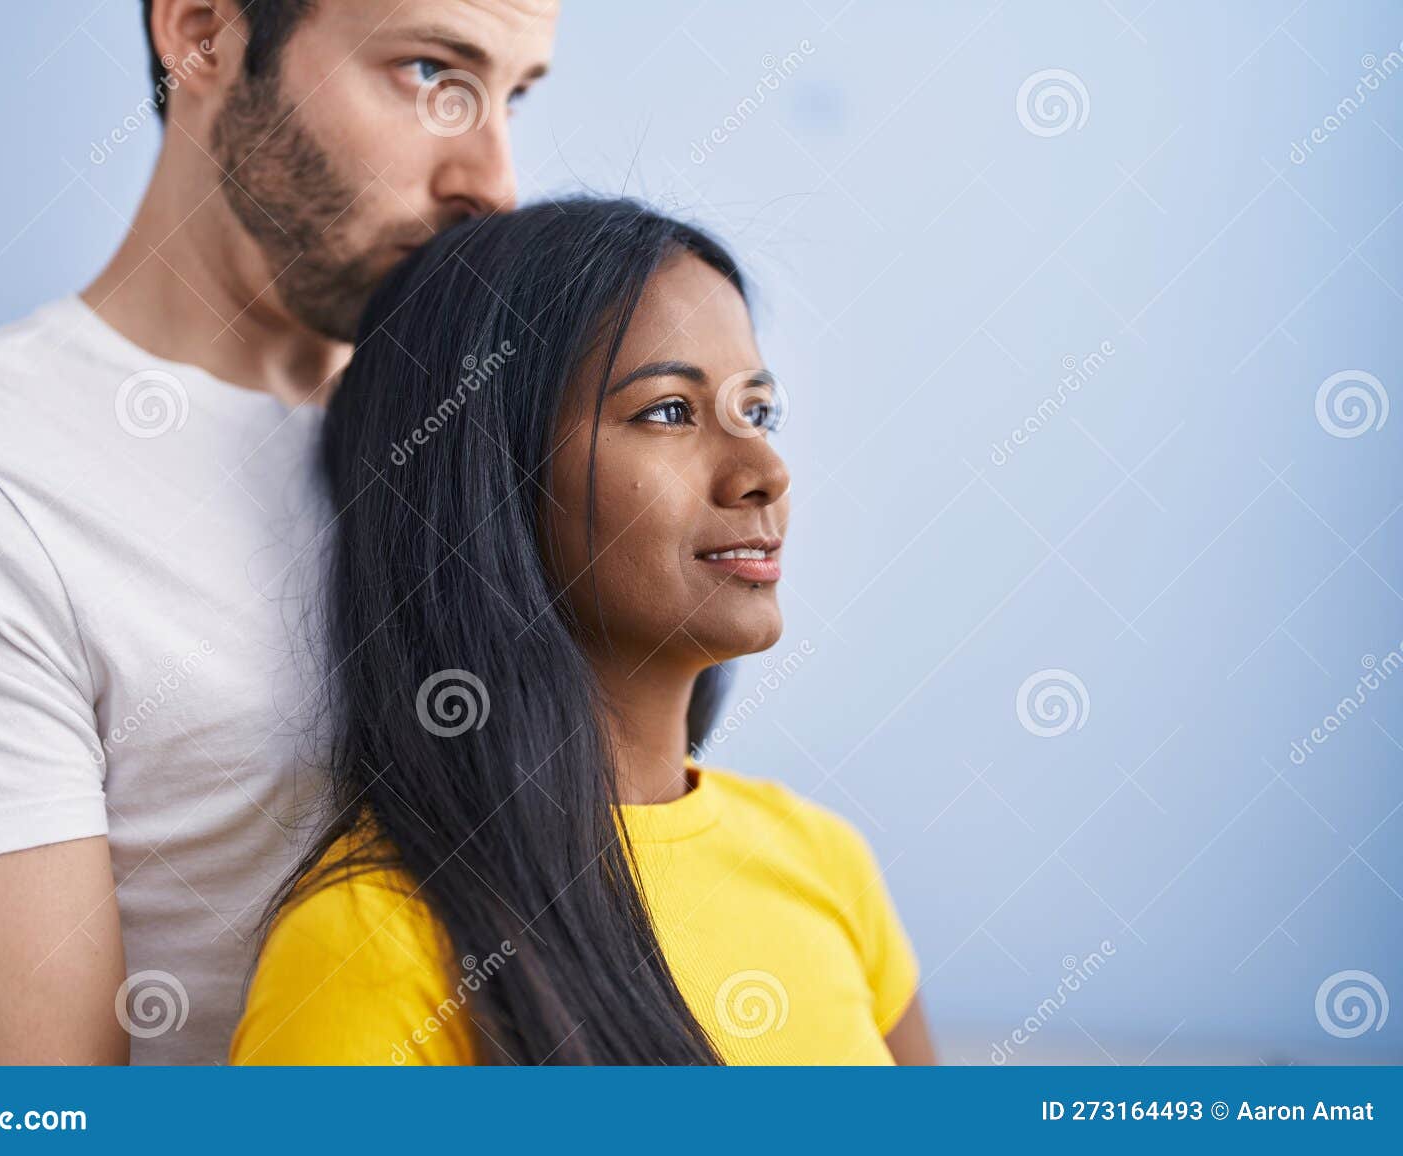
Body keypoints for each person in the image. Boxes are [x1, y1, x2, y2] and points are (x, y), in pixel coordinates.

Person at [0, 0, 558, 1065]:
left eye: (514, 95)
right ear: (203, 32)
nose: (493, 182)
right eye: (432, 73)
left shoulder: (507, 443)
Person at [229, 198, 936, 1065]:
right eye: (670, 411)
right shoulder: (370, 946)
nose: (764, 472)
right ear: (488, 477)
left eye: (759, 411)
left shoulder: (826, 863)